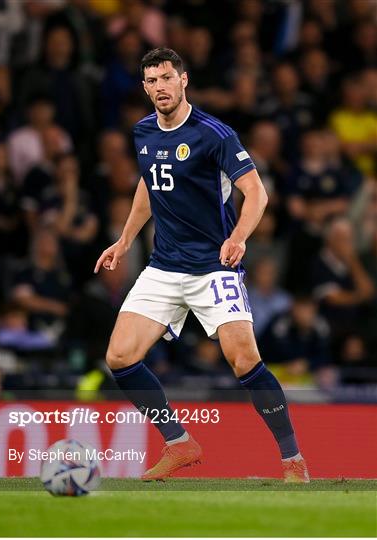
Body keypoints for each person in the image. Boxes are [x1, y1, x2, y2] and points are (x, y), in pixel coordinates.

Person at [94, 47, 309, 483]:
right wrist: (124, 239)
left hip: (214, 266)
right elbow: (148, 186)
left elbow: (257, 193)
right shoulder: (142, 133)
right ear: (145, 88)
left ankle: (293, 461)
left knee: (244, 360)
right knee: (119, 356)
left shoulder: (215, 134)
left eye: (167, 78)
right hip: (164, 266)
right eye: (152, 81)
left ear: (184, 80)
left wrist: (238, 237)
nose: (160, 87)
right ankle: (179, 444)